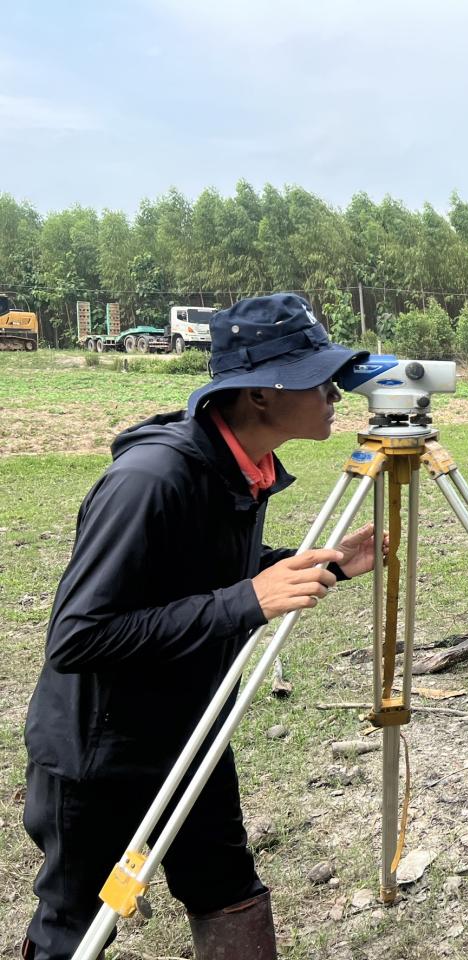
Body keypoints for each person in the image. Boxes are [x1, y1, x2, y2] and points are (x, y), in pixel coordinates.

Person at [22, 293, 378, 960]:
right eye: (315, 374)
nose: (334, 390)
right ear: (261, 395)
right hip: (100, 751)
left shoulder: (244, 468)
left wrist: (326, 566)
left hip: (193, 726)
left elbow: (201, 580)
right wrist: (249, 598)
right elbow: (78, 637)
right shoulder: (150, 480)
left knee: (225, 887)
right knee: (77, 924)